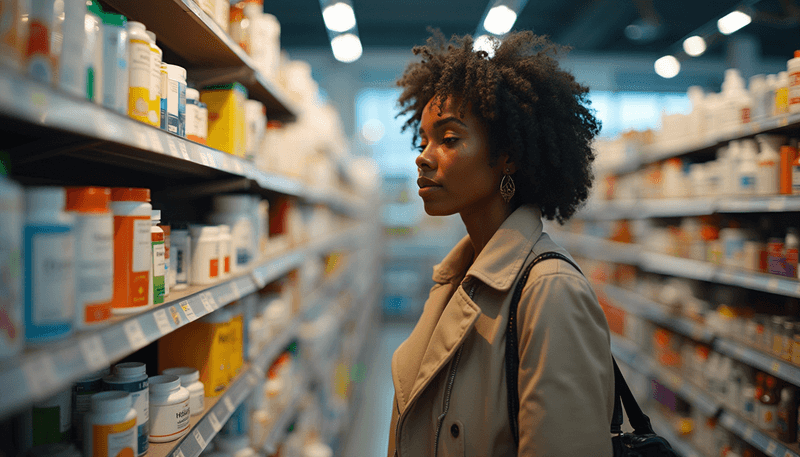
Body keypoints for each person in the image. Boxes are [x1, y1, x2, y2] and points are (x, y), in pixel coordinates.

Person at [387, 30, 614, 457]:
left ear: (508, 155)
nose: (423, 156)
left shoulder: (550, 292)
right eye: (424, 141)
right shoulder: (455, 279)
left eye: (449, 139)